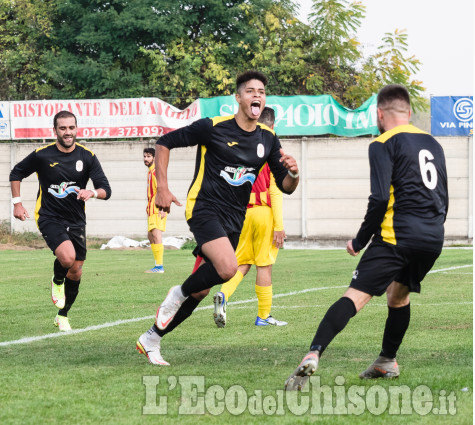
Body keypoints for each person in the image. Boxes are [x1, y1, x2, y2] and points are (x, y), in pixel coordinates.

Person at [285, 84, 449, 390]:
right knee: (398, 296)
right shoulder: (433, 143)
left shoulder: (382, 143)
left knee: (355, 296)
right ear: (410, 112)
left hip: (397, 235)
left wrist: (359, 240)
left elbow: (379, 199)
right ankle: (387, 361)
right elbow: (444, 195)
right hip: (432, 237)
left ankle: (313, 353)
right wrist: (433, 229)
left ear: (379, 113)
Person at [135, 71, 300, 365]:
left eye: (261, 92)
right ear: (238, 98)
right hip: (204, 208)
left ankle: (152, 339)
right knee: (227, 268)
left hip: (235, 220)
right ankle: (177, 293)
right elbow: (164, 142)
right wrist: (162, 186)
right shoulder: (213, 127)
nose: (257, 96)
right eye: (250, 91)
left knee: (200, 291)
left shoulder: (269, 139)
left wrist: (294, 173)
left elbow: (285, 187)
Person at [9, 110, 111, 332]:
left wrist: (91, 193)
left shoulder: (88, 157)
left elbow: (106, 189)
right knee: (67, 258)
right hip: (49, 216)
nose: (67, 132)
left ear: (77, 129)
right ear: (54, 130)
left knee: (76, 271)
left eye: (71, 128)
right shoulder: (42, 155)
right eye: (63, 128)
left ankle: (62, 315)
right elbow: (16, 173)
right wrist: (17, 203)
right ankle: (57, 281)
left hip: (76, 220)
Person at [212, 106, 287, 328]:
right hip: (264, 213)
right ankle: (263, 316)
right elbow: (275, 190)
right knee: (264, 266)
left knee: (242, 263)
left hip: (242, 213)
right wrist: (279, 225)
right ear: (272, 126)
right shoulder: (273, 147)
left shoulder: (240, 146)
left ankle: (223, 295)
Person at [143, 147, 168, 273]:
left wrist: (163, 208)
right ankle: (157, 265)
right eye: (145, 156)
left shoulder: (155, 172)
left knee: (156, 235)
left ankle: (159, 266)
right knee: (150, 235)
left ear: (154, 158)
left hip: (157, 208)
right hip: (152, 208)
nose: (146, 159)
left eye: (148, 156)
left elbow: (162, 190)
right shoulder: (150, 172)